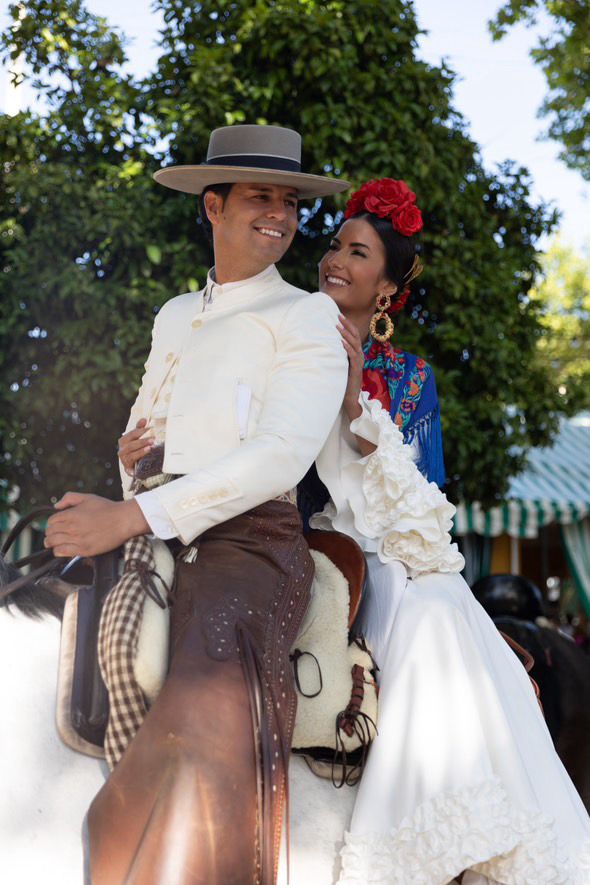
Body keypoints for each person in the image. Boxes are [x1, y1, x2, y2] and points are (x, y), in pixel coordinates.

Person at [45, 123, 350, 884]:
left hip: (250, 541)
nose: (279, 213)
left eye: (288, 200)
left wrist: (135, 514)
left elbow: (281, 454)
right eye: (259, 196)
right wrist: (127, 472)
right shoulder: (175, 314)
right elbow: (142, 429)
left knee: (206, 701)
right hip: (157, 522)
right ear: (213, 206)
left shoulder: (305, 316)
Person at [309, 178, 590, 883]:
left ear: (386, 290)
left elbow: (424, 508)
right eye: (336, 243)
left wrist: (354, 404)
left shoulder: (409, 380)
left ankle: (453, 839)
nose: (336, 257)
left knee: (439, 612)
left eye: (359, 251)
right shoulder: (287, 341)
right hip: (313, 544)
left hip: (398, 557)